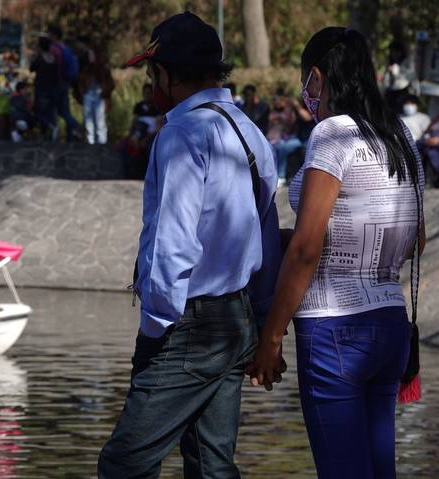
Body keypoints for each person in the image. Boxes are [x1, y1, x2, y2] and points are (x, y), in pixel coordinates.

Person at [98, 12, 281, 477]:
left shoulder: (181, 134)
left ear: (169, 75)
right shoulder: (246, 129)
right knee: (212, 466)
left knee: (125, 463)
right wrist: (259, 320)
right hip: (234, 319)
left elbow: (172, 245)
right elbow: (266, 228)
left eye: (151, 74)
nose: (150, 85)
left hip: (189, 326)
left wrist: (158, 330)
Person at [248, 27, 425, 479]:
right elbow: (415, 239)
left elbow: (308, 249)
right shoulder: (400, 134)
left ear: (319, 77)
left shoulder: (332, 134)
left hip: (334, 329)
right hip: (390, 325)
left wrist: (270, 337)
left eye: (307, 79)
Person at [47, 24, 81, 142]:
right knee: (64, 111)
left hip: (56, 82)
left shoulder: (54, 49)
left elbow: (51, 67)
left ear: (53, 35)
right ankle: (73, 128)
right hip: (65, 83)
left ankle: (53, 136)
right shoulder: (65, 48)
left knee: (51, 110)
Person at [76, 41, 115, 144]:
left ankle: (102, 142)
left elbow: (110, 84)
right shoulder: (85, 69)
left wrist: (104, 91)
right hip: (88, 95)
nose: (90, 57)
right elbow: (80, 82)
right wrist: (83, 93)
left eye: (92, 54)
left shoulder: (103, 69)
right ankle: (91, 142)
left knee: (100, 120)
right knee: (89, 121)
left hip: (99, 95)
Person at [266, 89, 301, 187]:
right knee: (271, 147)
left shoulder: (290, 111)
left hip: (289, 138)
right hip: (274, 139)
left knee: (281, 147)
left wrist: (282, 118)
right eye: (274, 100)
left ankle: (281, 176)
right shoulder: (273, 112)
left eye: (278, 100)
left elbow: (290, 127)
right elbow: (270, 125)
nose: (276, 102)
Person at [30, 34, 61, 140]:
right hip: (52, 89)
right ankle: (46, 133)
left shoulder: (39, 58)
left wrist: (33, 57)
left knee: (38, 111)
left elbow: (31, 68)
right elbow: (57, 75)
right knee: (49, 111)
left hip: (41, 88)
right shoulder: (53, 58)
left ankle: (50, 127)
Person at [380, 39, 416, 114]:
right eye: (392, 51)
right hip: (390, 96)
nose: (394, 54)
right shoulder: (390, 63)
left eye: (396, 51)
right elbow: (385, 82)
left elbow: (407, 79)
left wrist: (396, 72)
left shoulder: (407, 63)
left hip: (403, 95)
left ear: (401, 52)